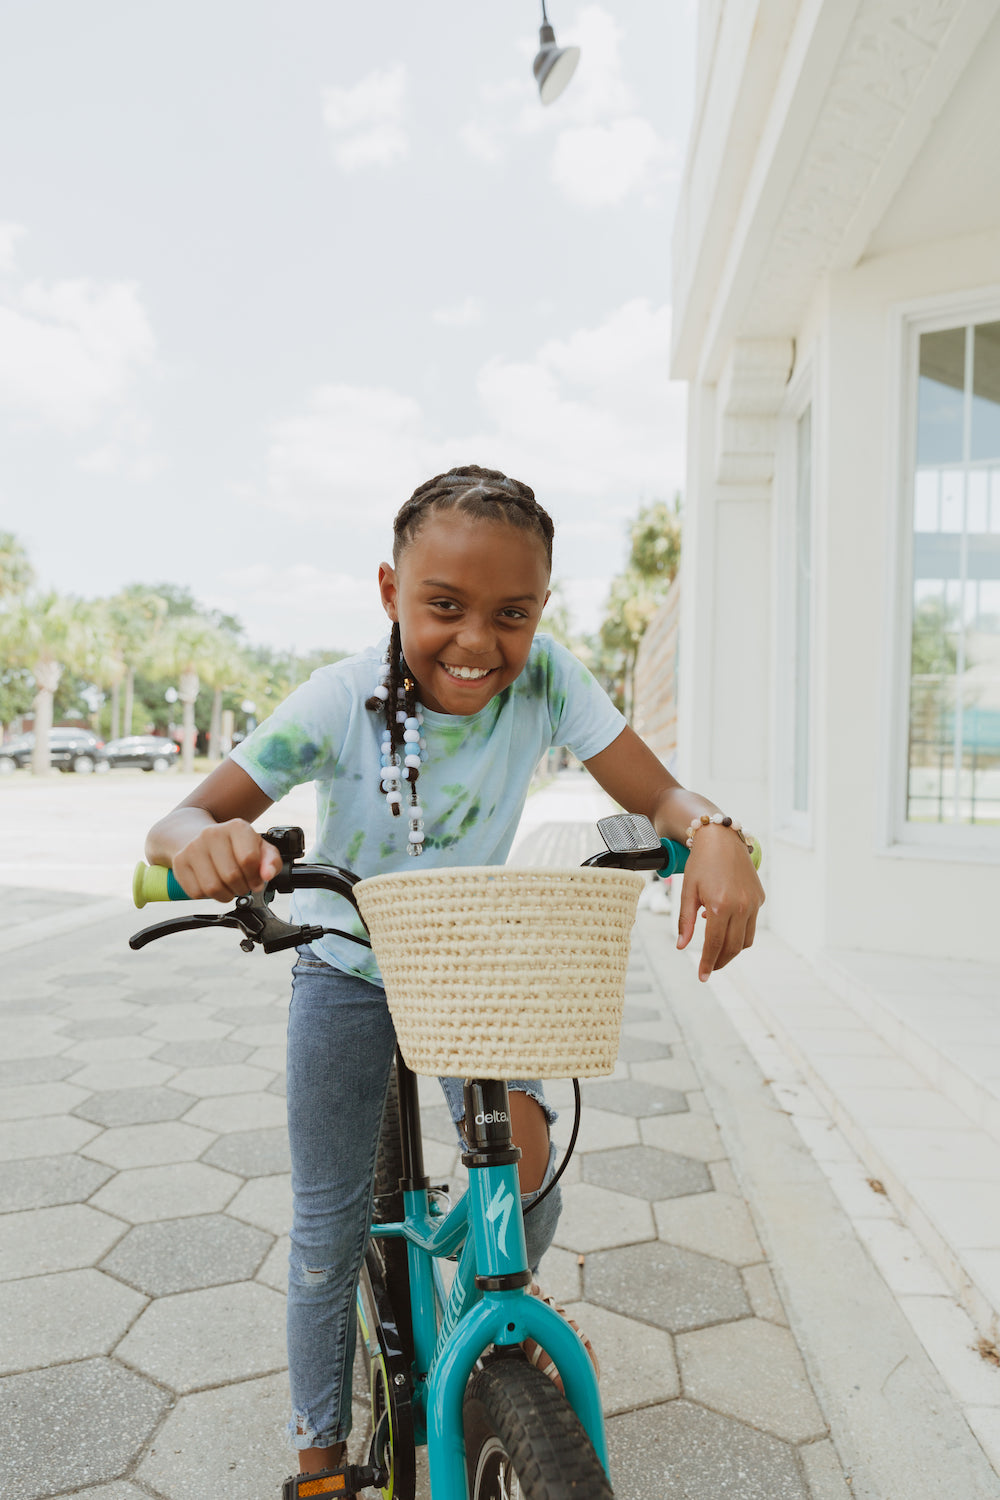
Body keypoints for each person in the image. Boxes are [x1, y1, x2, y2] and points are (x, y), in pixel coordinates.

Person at [144, 464, 765, 1484]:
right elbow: (182, 818)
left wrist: (714, 832)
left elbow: (662, 796)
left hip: (470, 964)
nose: (478, 643)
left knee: (529, 1168)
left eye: (510, 614)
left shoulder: (552, 676)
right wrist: (209, 842)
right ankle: (318, 1459)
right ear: (391, 592)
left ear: (541, 611)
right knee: (327, 1226)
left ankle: (490, 1316)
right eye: (444, 606)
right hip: (343, 966)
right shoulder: (340, 698)